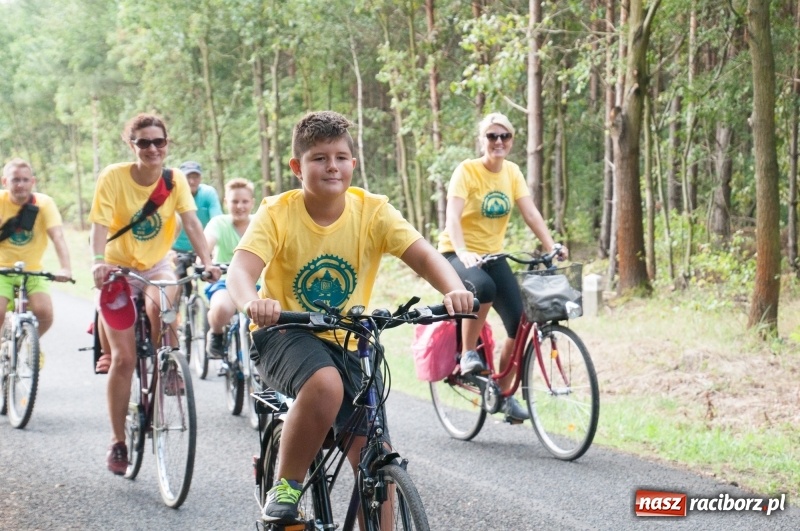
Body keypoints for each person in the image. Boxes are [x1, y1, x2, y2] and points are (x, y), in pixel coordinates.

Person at [226, 111, 473, 524]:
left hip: (349, 337)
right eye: (319, 158)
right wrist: (253, 302)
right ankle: (286, 486)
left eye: (341, 157)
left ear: (353, 164)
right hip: (286, 332)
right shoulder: (276, 213)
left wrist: (453, 289)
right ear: (297, 167)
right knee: (326, 385)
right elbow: (240, 271)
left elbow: (425, 256)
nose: (332, 166)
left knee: (374, 454)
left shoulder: (373, 211)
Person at [89, 113, 221, 475]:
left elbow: (192, 223)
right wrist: (98, 262)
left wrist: (208, 262)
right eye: (144, 142)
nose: (152, 149)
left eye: (158, 142)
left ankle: (169, 360)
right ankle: (118, 441)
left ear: (167, 144)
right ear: (131, 145)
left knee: (163, 301)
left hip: (156, 265)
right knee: (124, 360)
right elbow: (99, 224)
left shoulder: (174, 180)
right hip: (118, 268)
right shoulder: (113, 177)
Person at [438, 112, 568, 423]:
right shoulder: (467, 171)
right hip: (456, 253)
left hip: (493, 255)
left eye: (504, 136)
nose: (498, 141)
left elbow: (531, 213)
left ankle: (504, 394)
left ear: (511, 140)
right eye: (492, 136)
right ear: (482, 140)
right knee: (483, 288)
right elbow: (452, 217)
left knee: (521, 319)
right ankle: (468, 353)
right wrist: (463, 251)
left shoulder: (511, 172)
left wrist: (552, 245)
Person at [0, 158, 72, 341]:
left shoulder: (44, 203)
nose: (21, 185)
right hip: (2, 270)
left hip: (33, 270)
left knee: (45, 313)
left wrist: (65, 268)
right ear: (5, 182)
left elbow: (57, 236)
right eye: (15, 180)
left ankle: (29, 345)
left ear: (33, 182)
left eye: (25, 180)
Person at [204, 177, 255, 360]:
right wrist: (206, 263)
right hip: (225, 281)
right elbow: (206, 245)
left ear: (252, 203)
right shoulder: (218, 223)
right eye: (235, 201)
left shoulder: (260, 223)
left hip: (257, 283)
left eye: (245, 201)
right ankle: (216, 333)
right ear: (226, 202)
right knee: (222, 308)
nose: (240, 206)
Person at [171, 160, 223, 253]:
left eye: (195, 177)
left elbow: (217, 221)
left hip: (203, 248)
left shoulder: (208, 193)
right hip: (175, 248)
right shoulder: (172, 194)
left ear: (200, 178)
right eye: (188, 177)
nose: (192, 181)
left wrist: (215, 247)